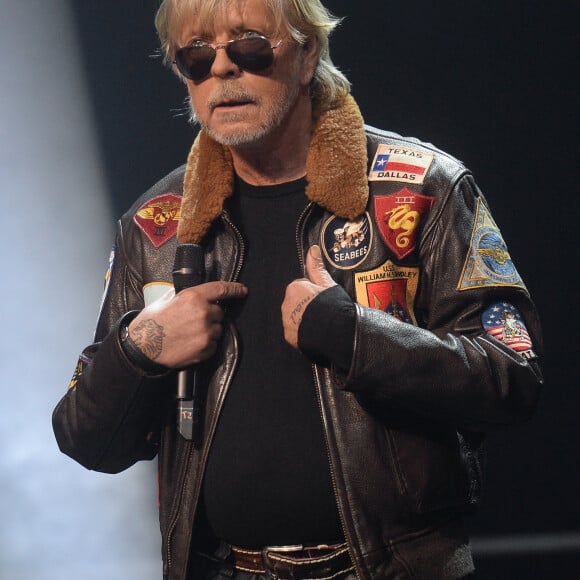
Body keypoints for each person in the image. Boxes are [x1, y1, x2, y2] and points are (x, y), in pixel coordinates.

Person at [52, 0, 544, 578]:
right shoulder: (155, 225)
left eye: (249, 44)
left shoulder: (422, 190)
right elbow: (88, 440)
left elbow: (512, 377)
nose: (223, 71)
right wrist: (140, 350)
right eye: (196, 56)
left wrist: (350, 332)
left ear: (307, 53)